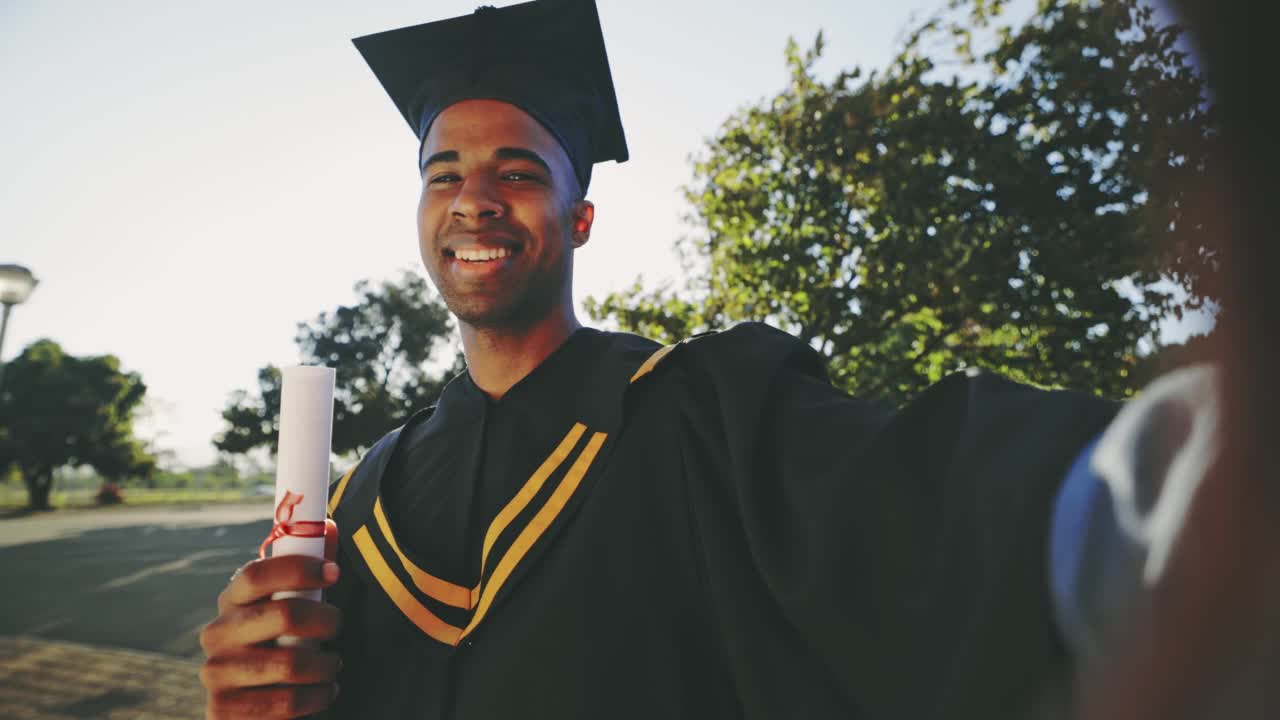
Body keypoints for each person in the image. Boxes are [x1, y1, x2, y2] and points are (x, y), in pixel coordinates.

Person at [197, 1, 1222, 717]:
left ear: (579, 217)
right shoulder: (370, 487)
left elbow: (951, 498)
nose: (473, 198)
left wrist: (1196, 469)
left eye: (517, 171)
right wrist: (257, 691)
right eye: (443, 174)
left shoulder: (709, 414)